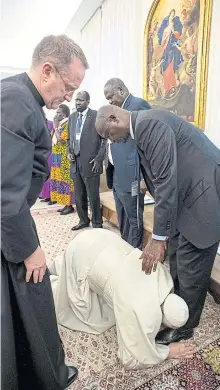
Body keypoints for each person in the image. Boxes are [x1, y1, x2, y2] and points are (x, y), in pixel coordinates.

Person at [95, 105, 220, 346]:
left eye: (109, 135)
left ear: (114, 118)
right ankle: (177, 306)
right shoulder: (141, 126)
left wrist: (158, 238)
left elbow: (165, 183)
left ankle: (185, 326)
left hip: (206, 194)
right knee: (177, 257)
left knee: (191, 263)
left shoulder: (148, 124)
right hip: (190, 192)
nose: (112, 141)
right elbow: (159, 171)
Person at [1, 34, 89, 390]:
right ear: (48, 70)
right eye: (69, 87)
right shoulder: (17, 102)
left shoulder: (22, 99)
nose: (69, 96)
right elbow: (5, 194)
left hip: (15, 220)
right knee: (29, 303)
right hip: (11, 227)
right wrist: (30, 250)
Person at [49, 229, 196, 370]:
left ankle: (56, 266)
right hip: (83, 253)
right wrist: (167, 352)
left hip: (99, 237)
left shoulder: (163, 275)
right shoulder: (140, 310)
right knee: (86, 312)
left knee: (72, 268)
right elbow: (131, 359)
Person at [104, 78, 151, 249]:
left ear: (121, 91)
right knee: (122, 213)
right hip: (117, 172)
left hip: (132, 174)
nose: (109, 101)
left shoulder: (139, 105)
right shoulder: (115, 110)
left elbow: (146, 145)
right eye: (107, 99)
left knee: (134, 216)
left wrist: (143, 176)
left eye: (111, 97)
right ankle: (126, 245)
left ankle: (134, 250)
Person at [67, 91, 106, 231]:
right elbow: (68, 139)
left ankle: (97, 223)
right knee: (79, 195)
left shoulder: (96, 116)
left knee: (92, 195)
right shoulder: (71, 118)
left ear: (88, 102)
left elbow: (104, 138)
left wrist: (99, 157)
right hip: (75, 163)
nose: (77, 102)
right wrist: (68, 152)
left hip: (91, 163)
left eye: (81, 100)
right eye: (76, 100)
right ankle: (83, 220)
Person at [50, 104, 75, 215]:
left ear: (64, 114)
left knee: (66, 181)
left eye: (58, 112)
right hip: (56, 156)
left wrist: (55, 127)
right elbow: (53, 138)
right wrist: (54, 129)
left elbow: (63, 140)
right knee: (60, 181)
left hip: (64, 157)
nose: (56, 115)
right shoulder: (60, 124)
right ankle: (65, 204)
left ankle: (69, 205)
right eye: (56, 112)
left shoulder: (68, 123)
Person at [39, 120, 54, 202]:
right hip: (42, 152)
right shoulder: (39, 123)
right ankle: (46, 195)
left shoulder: (51, 123)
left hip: (50, 151)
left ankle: (52, 196)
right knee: (44, 173)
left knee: (51, 174)